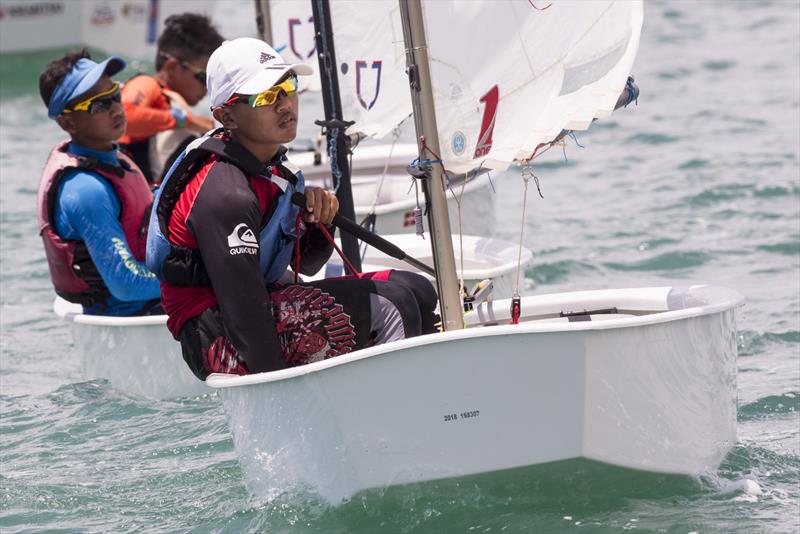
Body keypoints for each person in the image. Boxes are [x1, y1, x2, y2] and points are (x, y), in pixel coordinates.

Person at [146, 38, 438, 380]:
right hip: (217, 334)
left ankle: (427, 396)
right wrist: (282, 401)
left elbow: (309, 264)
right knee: (392, 305)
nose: (285, 104)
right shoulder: (226, 194)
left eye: (288, 87)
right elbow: (245, 313)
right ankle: (403, 412)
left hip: (258, 308)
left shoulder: (267, 168)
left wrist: (317, 222)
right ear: (226, 115)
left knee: (418, 289)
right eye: (266, 97)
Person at [37, 50, 161, 316]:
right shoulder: (85, 189)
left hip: (152, 306)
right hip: (131, 317)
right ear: (67, 121)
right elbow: (126, 284)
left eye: (116, 95)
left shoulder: (113, 158)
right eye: (99, 105)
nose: (117, 108)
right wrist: (201, 279)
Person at [119, 13, 224, 184]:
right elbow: (125, 116)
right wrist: (184, 121)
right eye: (203, 77)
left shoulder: (172, 101)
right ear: (173, 67)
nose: (208, 87)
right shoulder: (147, 84)